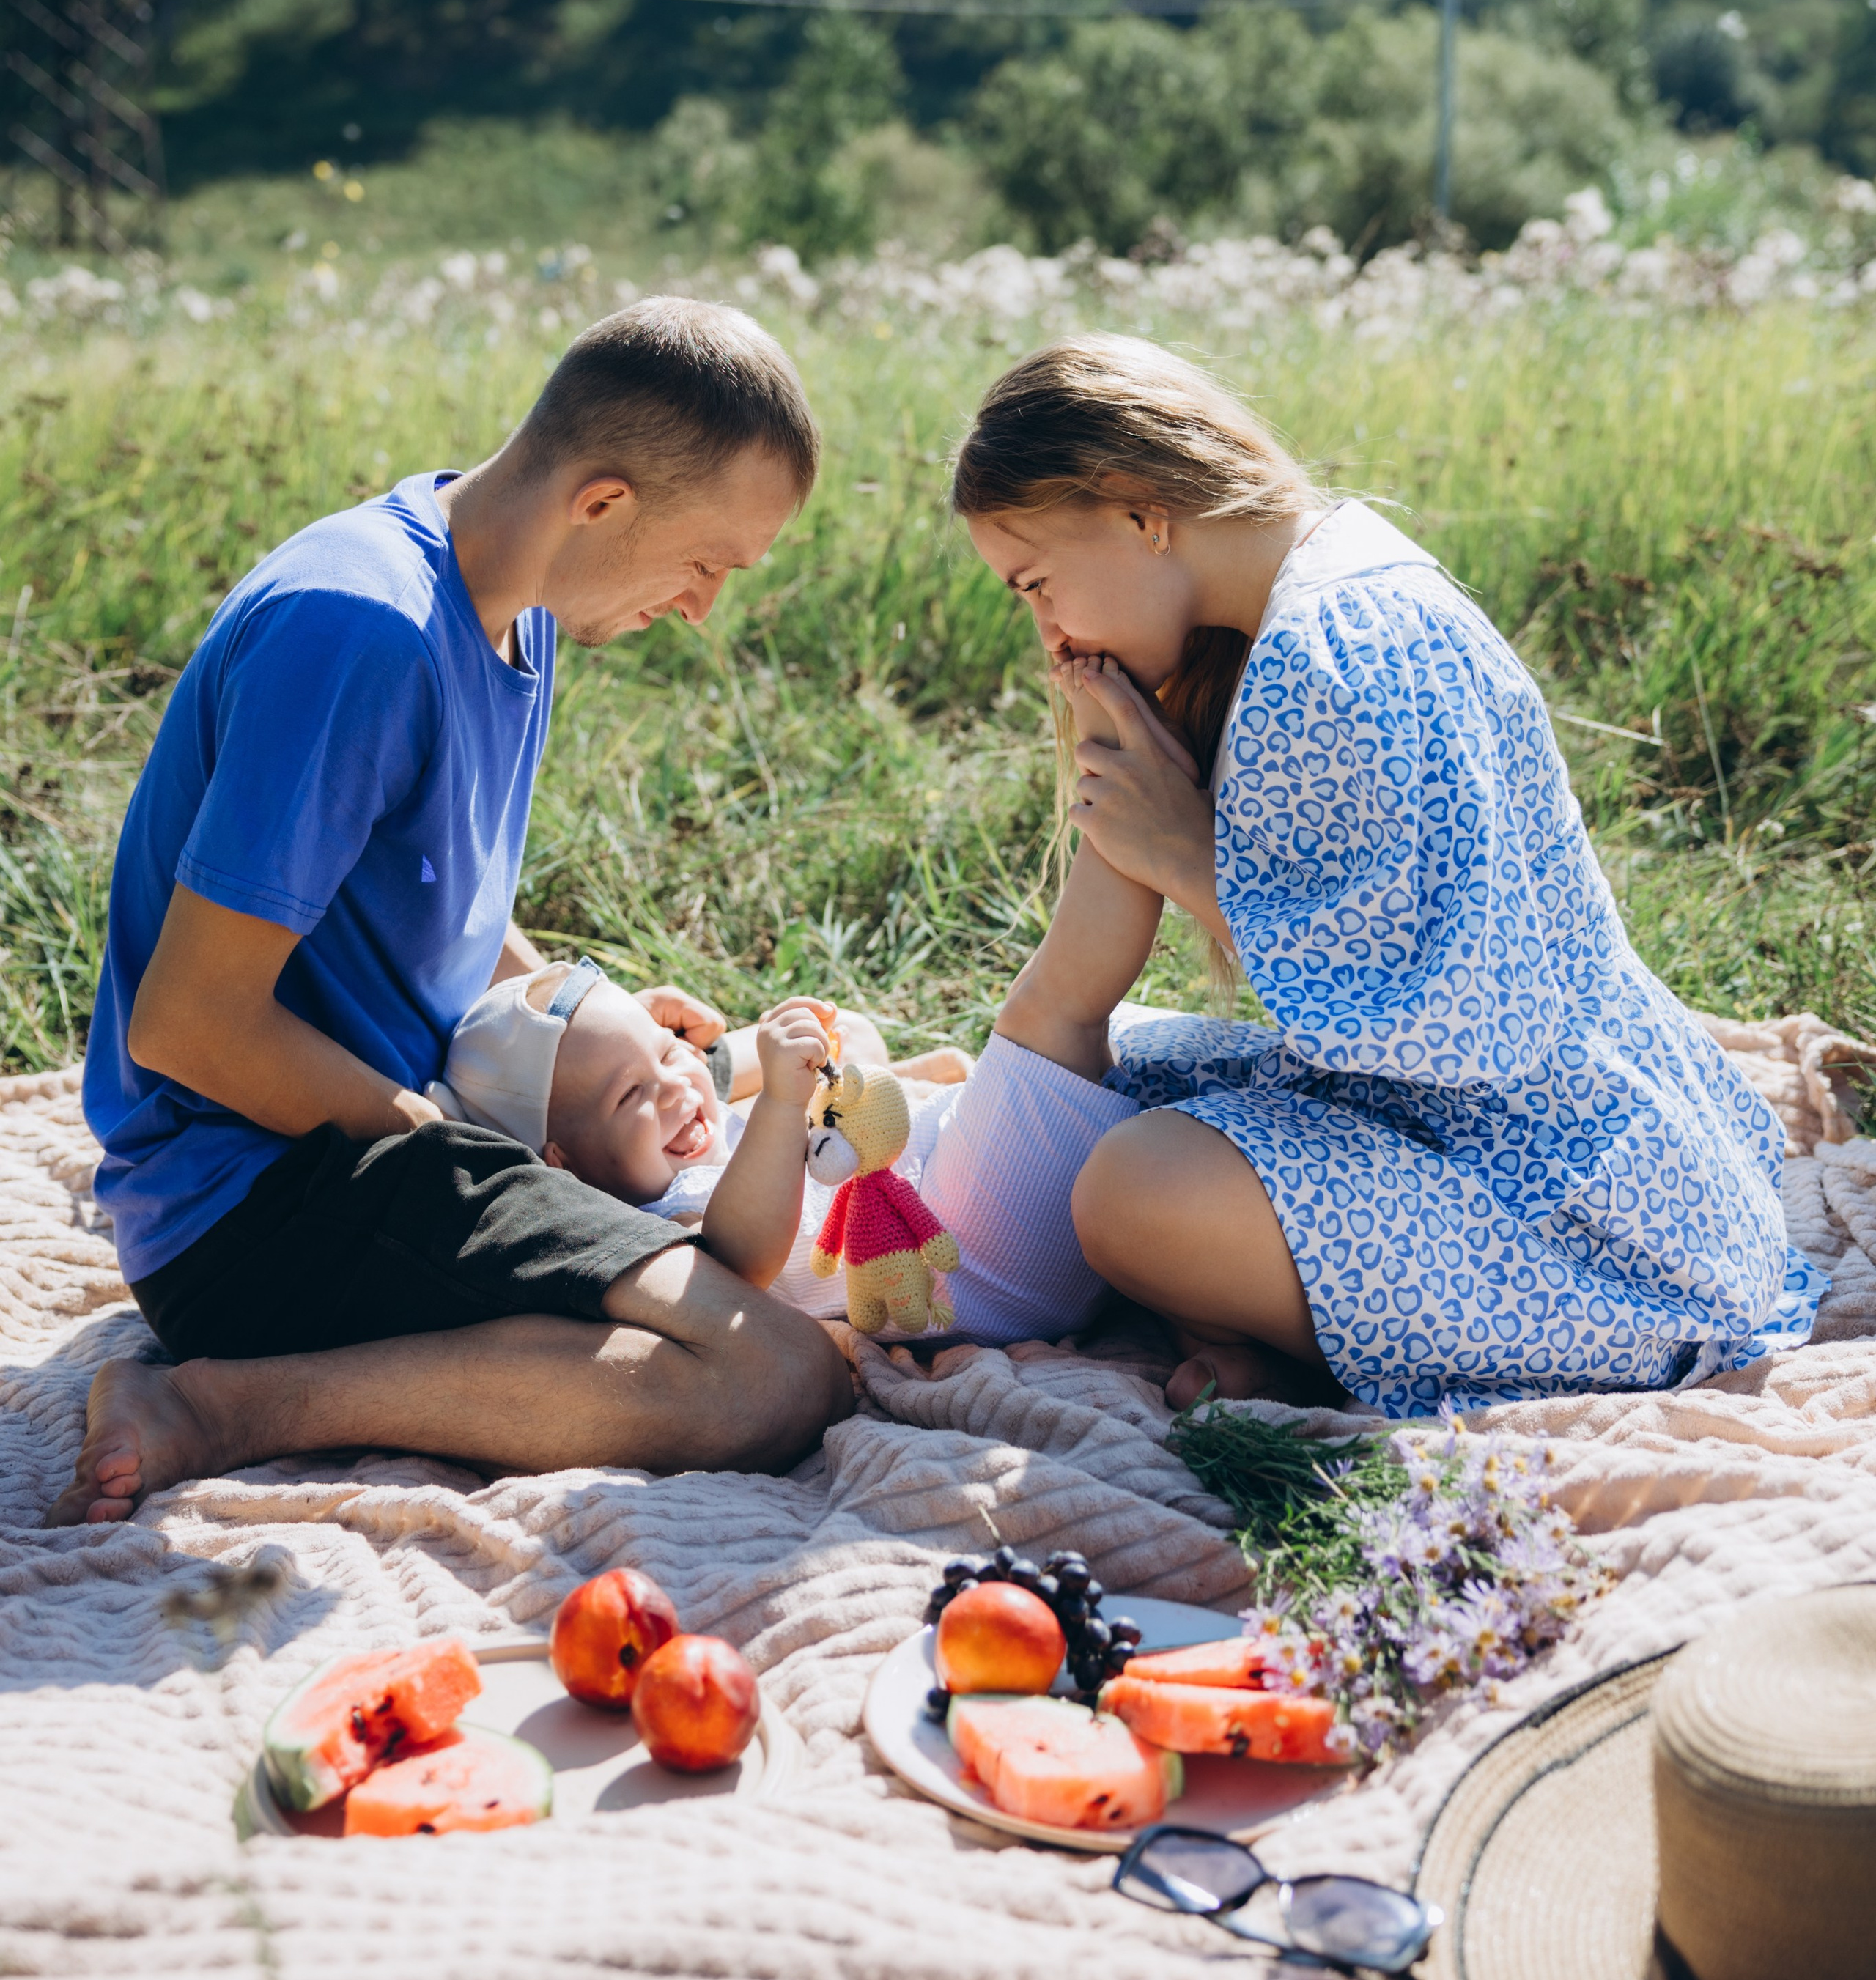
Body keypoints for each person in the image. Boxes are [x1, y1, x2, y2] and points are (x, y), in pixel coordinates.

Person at [47, 298, 853, 1527]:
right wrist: (467, 1153)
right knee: (773, 1375)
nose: (702, 609)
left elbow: (432, 895)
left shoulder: (509, 603)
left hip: (365, 1149)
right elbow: (191, 1025)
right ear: (602, 503)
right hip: (256, 1207)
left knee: (727, 1233)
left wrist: (580, 1008)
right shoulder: (360, 632)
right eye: (707, 565)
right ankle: (220, 1407)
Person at [954, 333, 1822, 1416]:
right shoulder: (1333, 593)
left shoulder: (1330, 648)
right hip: (1518, 1128)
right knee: (1127, 1074)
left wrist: (1186, 855)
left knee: (1132, 1191)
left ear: (1139, 508)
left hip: (1587, 1212)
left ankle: (1356, 1341)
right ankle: (1296, 1337)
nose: (1044, 630)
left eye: (1035, 584)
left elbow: (1458, 1015)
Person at [430, 957, 1134, 1343]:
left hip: (992, 1201)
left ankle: (1206, 1324)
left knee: (1138, 1051)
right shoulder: (663, 1226)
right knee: (1053, 1006)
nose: (677, 1088)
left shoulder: (709, 1134)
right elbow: (746, 1254)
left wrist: (813, 1041)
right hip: (975, 1255)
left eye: (670, 1051)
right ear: (566, 1165)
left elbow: (854, 1050)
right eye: (629, 1096)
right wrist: (774, 1103)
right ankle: (1128, 813)